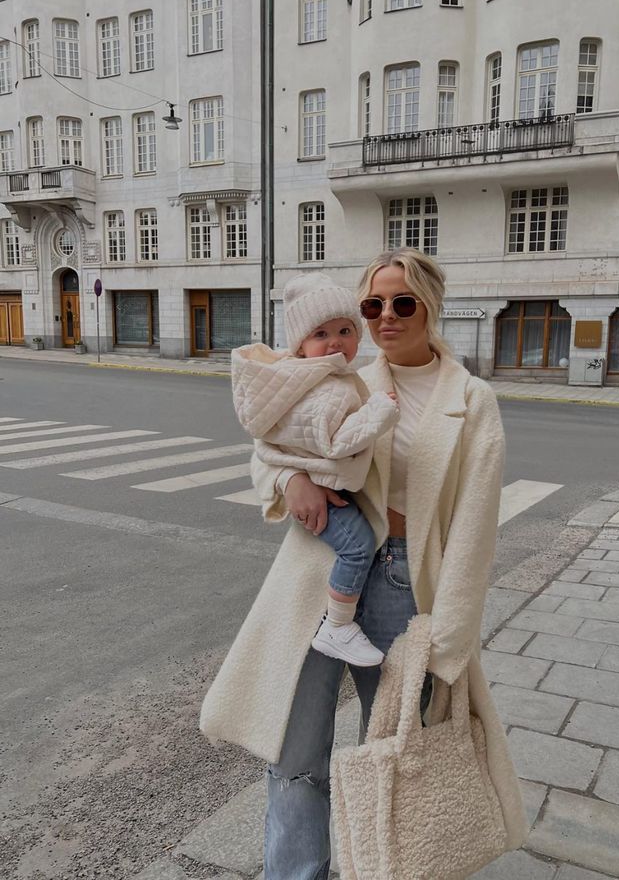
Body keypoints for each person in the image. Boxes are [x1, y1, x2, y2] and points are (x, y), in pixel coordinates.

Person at [201, 248, 528, 878]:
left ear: (430, 306)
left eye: (402, 303)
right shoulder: (341, 373)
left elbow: (474, 526)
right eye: (372, 305)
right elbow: (269, 441)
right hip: (319, 575)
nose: (385, 316)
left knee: (392, 752)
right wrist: (287, 480)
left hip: (407, 586)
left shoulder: (471, 398)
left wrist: (448, 639)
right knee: (296, 747)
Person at [230, 272, 399, 667]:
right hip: (324, 552)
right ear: (301, 347)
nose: (336, 341)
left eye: (344, 329)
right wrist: (290, 479)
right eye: (321, 334)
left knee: (386, 698)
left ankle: (339, 628)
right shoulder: (329, 383)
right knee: (304, 703)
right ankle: (338, 628)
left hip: (400, 563)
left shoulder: (329, 378)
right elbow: (274, 448)